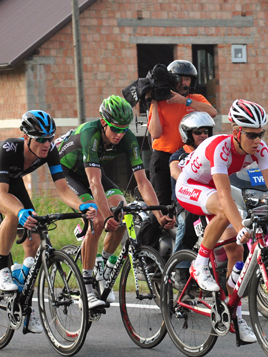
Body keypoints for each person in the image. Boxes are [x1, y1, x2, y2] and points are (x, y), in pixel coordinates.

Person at [174, 99, 268, 343]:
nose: (257, 140)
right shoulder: (221, 148)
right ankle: (199, 263)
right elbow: (225, 196)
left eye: (261, 133)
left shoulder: (260, 149)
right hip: (191, 187)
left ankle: (234, 315)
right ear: (236, 132)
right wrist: (240, 227)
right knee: (228, 212)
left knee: (236, 252)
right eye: (251, 135)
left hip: (213, 192)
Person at [0, 110, 97, 333]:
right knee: (13, 214)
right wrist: (19, 212)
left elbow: (62, 188)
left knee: (34, 240)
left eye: (50, 138)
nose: (47, 144)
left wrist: (81, 205)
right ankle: (2, 267)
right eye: (41, 139)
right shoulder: (9, 149)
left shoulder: (50, 150)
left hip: (14, 181)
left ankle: (25, 306)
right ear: (27, 137)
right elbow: (1, 195)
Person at [57, 95, 174, 309]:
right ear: (103, 123)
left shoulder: (127, 138)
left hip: (91, 171)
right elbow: (93, 183)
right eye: (115, 129)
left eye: (123, 129)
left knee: (122, 210)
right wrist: (106, 216)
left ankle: (105, 267)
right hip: (68, 173)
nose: (120, 134)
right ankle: (87, 287)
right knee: (98, 219)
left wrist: (158, 216)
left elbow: (143, 181)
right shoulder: (90, 134)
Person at [148, 60, 218, 205]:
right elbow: (155, 133)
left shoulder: (196, 99)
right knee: (163, 204)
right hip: (163, 157)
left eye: (186, 79)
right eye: (178, 78)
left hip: (188, 157)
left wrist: (184, 101)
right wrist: (154, 103)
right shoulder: (161, 103)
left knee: (190, 201)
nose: (182, 82)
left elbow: (212, 112)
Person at [169, 111, 215, 254]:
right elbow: (174, 171)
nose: (203, 135)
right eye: (198, 132)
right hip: (186, 202)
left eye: (206, 132)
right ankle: (179, 268)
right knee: (187, 225)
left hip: (209, 198)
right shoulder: (179, 156)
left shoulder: (213, 153)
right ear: (188, 135)